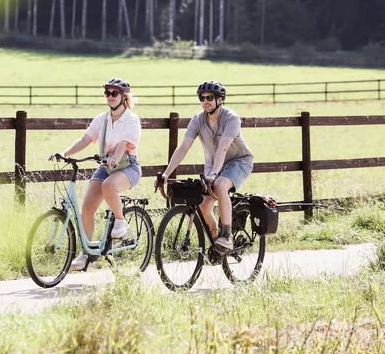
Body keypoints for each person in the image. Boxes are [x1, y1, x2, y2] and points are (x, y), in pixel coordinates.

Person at [49, 77, 142, 270]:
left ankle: (120, 220)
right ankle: (86, 253)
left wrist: (115, 157)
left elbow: (124, 145)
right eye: (107, 93)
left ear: (123, 97)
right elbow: (86, 139)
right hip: (106, 166)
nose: (110, 96)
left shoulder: (131, 119)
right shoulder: (102, 119)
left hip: (128, 166)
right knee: (88, 207)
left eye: (114, 93)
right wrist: (64, 153)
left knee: (108, 186)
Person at [157, 81, 253, 250]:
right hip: (214, 167)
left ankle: (227, 235)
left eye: (210, 97)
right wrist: (166, 174)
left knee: (220, 185)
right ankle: (217, 244)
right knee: (203, 205)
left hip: (238, 161)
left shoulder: (231, 118)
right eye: (202, 98)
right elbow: (183, 148)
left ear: (220, 99)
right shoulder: (197, 120)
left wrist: (214, 173)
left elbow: (223, 148)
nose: (205, 101)